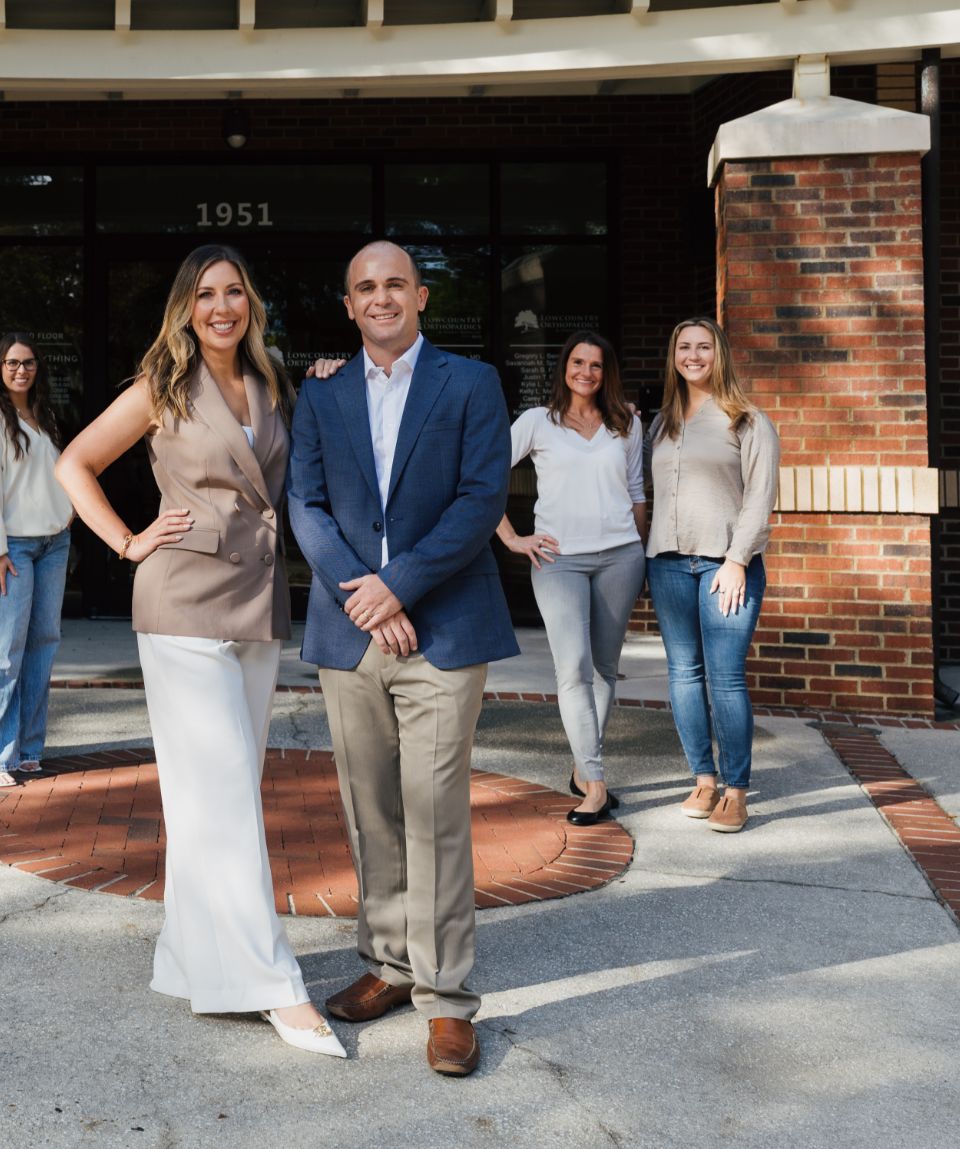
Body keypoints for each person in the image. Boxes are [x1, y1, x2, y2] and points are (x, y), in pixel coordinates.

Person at [54, 245, 345, 1060]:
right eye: (207, 294)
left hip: (256, 603)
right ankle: (274, 984)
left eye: (236, 292)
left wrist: (331, 378)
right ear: (186, 308)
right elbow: (74, 462)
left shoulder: (276, 381)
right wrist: (125, 541)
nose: (223, 306)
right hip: (181, 601)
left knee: (214, 795)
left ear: (252, 302)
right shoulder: (161, 387)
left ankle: (190, 959)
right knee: (223, 799)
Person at [287, 240, 516, 1077]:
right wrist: (364, 593)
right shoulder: (321, 393)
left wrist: (400, 585)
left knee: (435, 811)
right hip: (352, 633)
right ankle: (386, 963)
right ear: (348, 307)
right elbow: (303, 502)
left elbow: (480, 498)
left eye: (394, 285)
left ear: (420, 296)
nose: (380, 298)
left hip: (445, 631)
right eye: (364, 288)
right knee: (369, 807)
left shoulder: (472, 383)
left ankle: (448, 999)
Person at [495, 331, 648, 828]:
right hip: (558, 560)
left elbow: (636, 491)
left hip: (620, 557)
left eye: (596, 365)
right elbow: (485, 474)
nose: (586, 372)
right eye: (577, 362)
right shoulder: (538, 422)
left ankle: (583, 768)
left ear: (607, 372)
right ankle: (597, 784)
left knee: (604, 668)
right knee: (573, 668)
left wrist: (640, 550)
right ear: (564, 367)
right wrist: (512, 538)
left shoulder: (626, 421)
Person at [646, 318, 780, 834]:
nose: (693, 355)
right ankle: (703, 778)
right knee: (683, 674)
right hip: (669, 564)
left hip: (727, 566)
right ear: (673, 355)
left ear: (719, 354)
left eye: (703, 346)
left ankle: (736, 790)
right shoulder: (662, 423)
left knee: (724, 679)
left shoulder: (746, 420)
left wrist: (737, 560)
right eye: (684, 346)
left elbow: (759, 499)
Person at [0, 334, 73, 789]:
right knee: (4, 650)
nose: (21, 370)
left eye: (28, 363)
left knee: (43, 644)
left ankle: (28, 748)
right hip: (11, 548)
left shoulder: (45, 416)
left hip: (54, 543)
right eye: (12, 363)